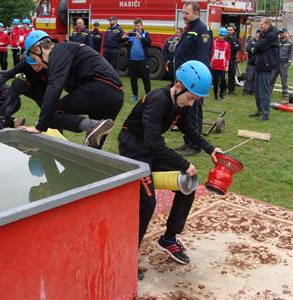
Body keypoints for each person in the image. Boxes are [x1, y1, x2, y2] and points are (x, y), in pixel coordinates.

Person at [118, 60, 222, 281]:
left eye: (196, 99)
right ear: (178, 85)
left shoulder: (181, 103)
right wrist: (184, 163)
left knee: (188, 185)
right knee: (147, 203)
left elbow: (188, 129)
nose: (192, 104)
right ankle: (126, 256)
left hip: (151, 148)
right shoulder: (158, 100)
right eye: (191, 98)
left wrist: (210, 149)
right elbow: (152, 141)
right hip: (134, 150)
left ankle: (168, 238)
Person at [19, 30, 124, 149]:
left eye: (34, 58)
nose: (38, 63)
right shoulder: (66, 51)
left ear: (38, 50)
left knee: (51, 115)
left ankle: (92, 125)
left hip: (100, 89)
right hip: (116, 95)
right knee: (94, 144)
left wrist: (40, 126)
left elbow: (54, 88)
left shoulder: (57, 52)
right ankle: (92, 143)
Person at [173, 1, 212, 156]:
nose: (183, 15)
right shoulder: (189, 29)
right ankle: (187, 141)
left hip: (193, 79)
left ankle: (195, 145)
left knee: (194, 111)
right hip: (183, 77)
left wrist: (194, 81)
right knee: (184, 111)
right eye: (182, 12)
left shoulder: (202, 30)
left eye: (186, 13)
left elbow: (202, 58)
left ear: (196, 13)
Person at [0, 59, 49, 130]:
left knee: (53, 114)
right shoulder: (24, 64)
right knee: (17, 84)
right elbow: (6, 75)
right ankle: (2, 119)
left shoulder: (49, 67)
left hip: (46, 93)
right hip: (31, 87)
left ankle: (58, 128)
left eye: (38, 65)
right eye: (33, 65)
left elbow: (56, 88)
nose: (36, 67)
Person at [249, 18, 279, 121]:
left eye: (261, 24)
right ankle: (259, 110)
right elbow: (258, 47)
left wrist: (254, 47)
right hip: (260, 64)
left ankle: (265, 114)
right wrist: (254, 48)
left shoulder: (272, 35)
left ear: (267, 24)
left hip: (266, 66)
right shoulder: (264, 33)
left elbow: (260, 46)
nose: (260, 26)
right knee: (257, 90)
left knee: (264, 91)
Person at [122, 18, 151, 102]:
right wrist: (123, 38)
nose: (136, 28)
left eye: (138, 26)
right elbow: (121, 41)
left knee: (145, 78)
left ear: (142, 25)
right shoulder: (131, 33)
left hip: (142, 60)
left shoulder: (145, 34)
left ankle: (148, 95)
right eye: (135, 26)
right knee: (133, 78)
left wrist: (141, 37)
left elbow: (148, 43)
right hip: (132, 61)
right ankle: (135, 95)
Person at [270, 27, 293, 102]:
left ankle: (285, 92)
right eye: (279, 33)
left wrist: (288, 62)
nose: (280, 34)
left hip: (284, 63)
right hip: (276, 63)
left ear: (285, 33)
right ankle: (269, 91)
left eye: (282, 33)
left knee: (284, 78)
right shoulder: (276, 42)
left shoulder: (289, 43)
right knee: (272, 77)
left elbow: (291, 53)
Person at [211, 27, 230, 100]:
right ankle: (216, 96)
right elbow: (211, 54)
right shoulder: (213, 43)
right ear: (218, 34)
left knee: (223, 82)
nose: (221, 36)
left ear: (225, 36)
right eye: (220, 35)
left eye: (223, 35)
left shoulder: (227, 44)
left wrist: (227, 66)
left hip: (222, 66)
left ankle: (221, 94)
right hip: (214, 66)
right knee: (215, 82)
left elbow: (228, 56)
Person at [243, 29, 261, 95]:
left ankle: (253, 90)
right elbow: (247, 48)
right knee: (249, 76)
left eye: (260, 33)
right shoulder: (252, 41)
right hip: (251, 62)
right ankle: (246, 90)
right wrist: (253, 50)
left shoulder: (262, 41)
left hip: (258, 62)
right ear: (256, 34)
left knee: (256, 77)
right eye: (258, 33)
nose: (258, 35)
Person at [225, 26, 240, 96]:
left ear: (233, 31)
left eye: (230, 30)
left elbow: (238, 47)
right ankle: (223, 89)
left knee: (232, 75)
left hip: (233, 59)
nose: (229, 31)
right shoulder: (224, 39)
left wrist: (232, 47)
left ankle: (231, 90)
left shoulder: (235, 39)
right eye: (228, 30)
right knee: (223, 75)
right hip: (225, 59)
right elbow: (228, 48)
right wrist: (233, 47)